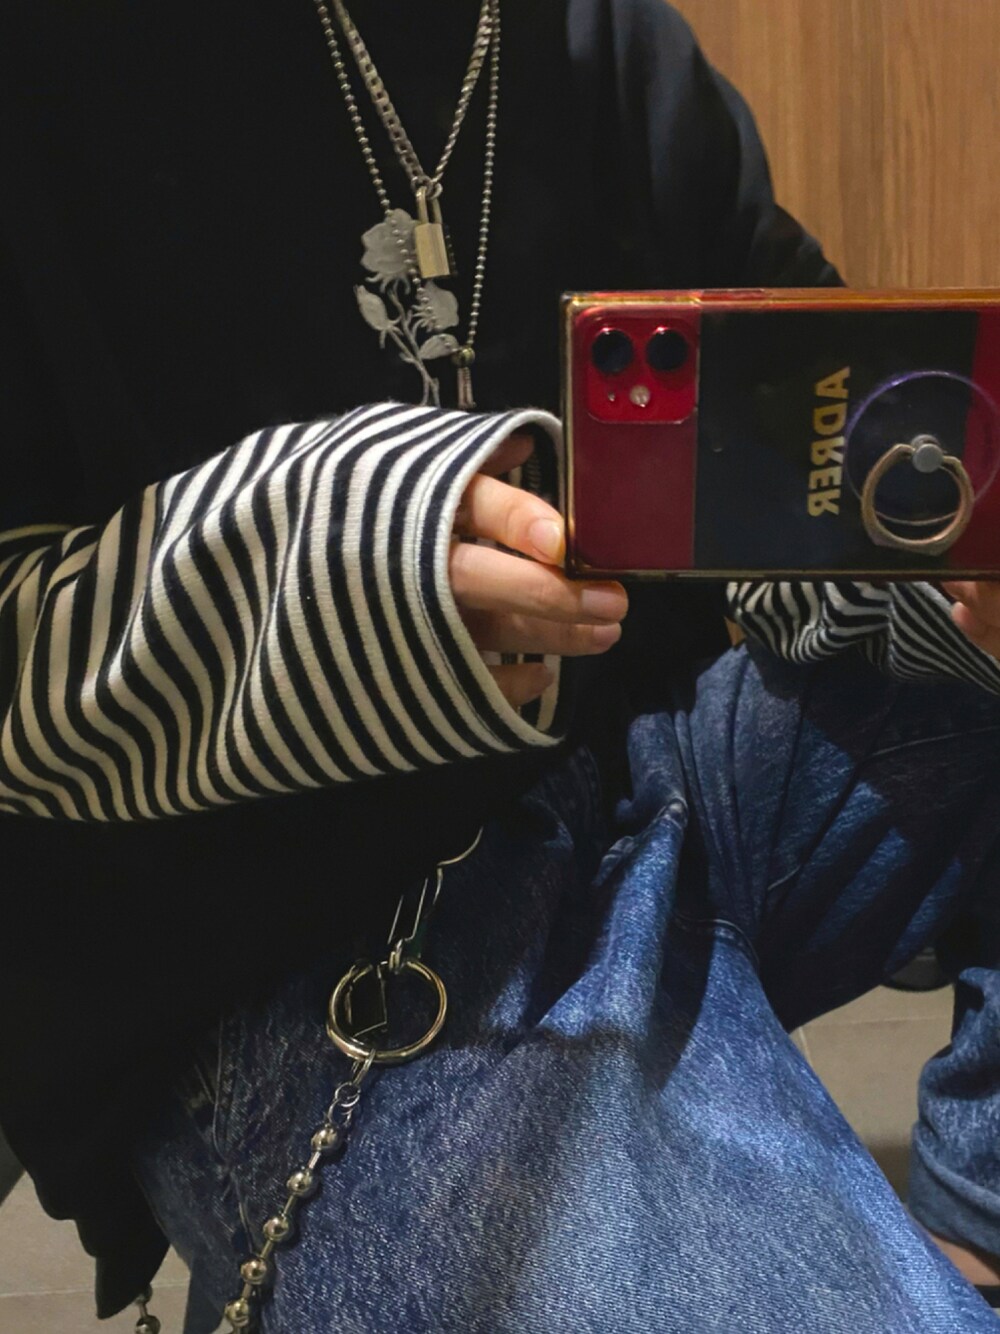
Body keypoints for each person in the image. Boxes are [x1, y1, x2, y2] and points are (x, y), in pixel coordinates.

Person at [2, 2, 1000, 1330]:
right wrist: (327, 564)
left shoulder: (601, 42)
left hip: (648, 784)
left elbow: (786, 477)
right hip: (291, 966)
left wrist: (940, 576)